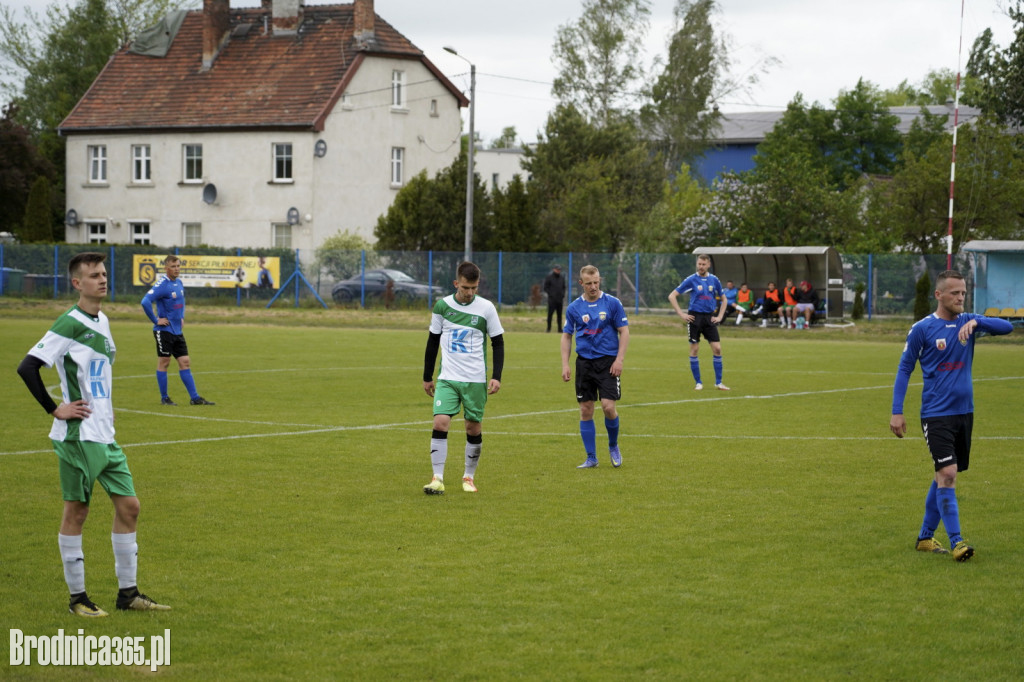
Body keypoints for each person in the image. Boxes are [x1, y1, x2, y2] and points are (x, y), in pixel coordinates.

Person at [17, 252, 171, 617]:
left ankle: (128, 594)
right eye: (94, 275)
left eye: (103, 274)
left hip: (105, 433)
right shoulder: (68, 323)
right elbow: (28, 367)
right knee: (78, 511)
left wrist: (106, 407)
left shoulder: (101, 319)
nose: (102, 280)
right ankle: (78, 600)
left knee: (130, 507)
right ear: (77, 283)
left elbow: (97, 376)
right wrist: (56, 408)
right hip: (78, 436)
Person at [889, 270, 1013, 561]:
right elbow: (905, 368)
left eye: (963, 293)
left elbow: (1007, 327)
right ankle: (958, 542)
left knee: (942, 476)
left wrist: (977, 320)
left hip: (964, 413)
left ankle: (924, 538)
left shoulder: (968, 322)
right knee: (948, 473)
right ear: (939, 295)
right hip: (936, 414)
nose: (960, 298)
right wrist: (897, 411)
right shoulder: (923, 328)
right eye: (955, 293)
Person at [422, 261, 504, 494]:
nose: (470, 293)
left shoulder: (486, 308)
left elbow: (498, 343)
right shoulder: (442, 307)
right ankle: (437, 478)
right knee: (440, 422)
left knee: (473, 428)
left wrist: (496, 376)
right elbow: (432, 342)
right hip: (448, 378)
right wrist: (427, 376)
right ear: (456, 283)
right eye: (466, 287)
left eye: (474, 288)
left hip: (475, 380)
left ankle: (468, 477)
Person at [561, 265, 629, 468]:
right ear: (581, 283)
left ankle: (613, 445)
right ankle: (591, 457)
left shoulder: (612, 303)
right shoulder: (574, 308)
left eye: (596, 282)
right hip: (584, 364)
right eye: (589, 283)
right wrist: (565, 364)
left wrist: (619, 360)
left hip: (608, 362)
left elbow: (624, 332)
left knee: (608, 407)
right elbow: (566, 336)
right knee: (586, 410)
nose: (593, 286)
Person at [141, 255, 214, 406]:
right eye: (173, 266)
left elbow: (181, 302)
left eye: (178, 266)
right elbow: (145, 301)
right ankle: (165, 398)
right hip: (164, 330)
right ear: (166, 268)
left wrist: (181, 317)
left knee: (185, 361)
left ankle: (195, 398)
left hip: (177, 330)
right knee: (164, 362)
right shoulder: (162, 284)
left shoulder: (179, 282)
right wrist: (156, 320)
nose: (176, 269)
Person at [668, 254, 729, 391]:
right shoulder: (691, 279)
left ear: (708, 265)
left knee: (717, 349)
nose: (701, 266)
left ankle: (719, 383)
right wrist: (681, 314)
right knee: (695, 349)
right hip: (694, 318)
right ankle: (698, 383)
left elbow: (724, 299)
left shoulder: (714, 280)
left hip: (709, 318)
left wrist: (719, 317)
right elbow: (672, 296)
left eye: (703, 264)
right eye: (699, 264)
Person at [543, 264, 567, 333]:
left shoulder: (562, 278)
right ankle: (548, 329)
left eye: (559, 269)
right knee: (550, 315)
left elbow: (564, 287)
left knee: (559, 315)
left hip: (560, 300)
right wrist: (551, 294)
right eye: (557, 269)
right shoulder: (549, 277)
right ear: (554, 269)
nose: (558, 271)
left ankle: (559, 329)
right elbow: (545, 287)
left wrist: (562, 295)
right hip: (552, 300)